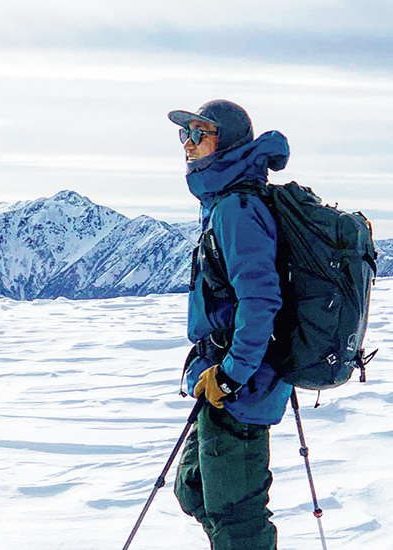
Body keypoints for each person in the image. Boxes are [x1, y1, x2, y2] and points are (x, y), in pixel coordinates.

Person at [167, 100, 293, 550]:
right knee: (195, 489)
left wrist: (231, 375)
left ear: (230, 141)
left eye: (201, 133)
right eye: (185, 134)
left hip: (240, 386)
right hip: (221, 379)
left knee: (237, 520)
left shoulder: (237, 208)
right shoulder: (224, 201)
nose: (189, 143)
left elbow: (261, 301)